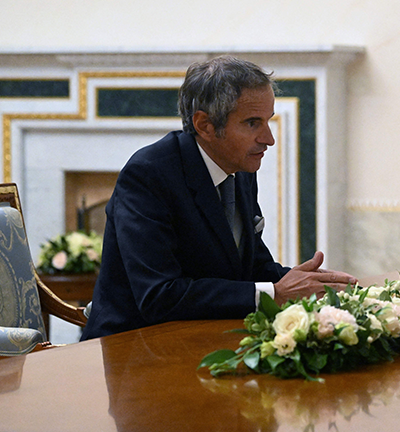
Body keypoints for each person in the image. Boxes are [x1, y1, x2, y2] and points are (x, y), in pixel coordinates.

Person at [82, 56, 356, 339]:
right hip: (131, 349)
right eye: (252, 123)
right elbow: (159, 296)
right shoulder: (148, 175)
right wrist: (274, 293)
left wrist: (309, 284)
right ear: (205, 125)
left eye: (268, 121)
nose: (269, 138)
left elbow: (251, 268)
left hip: (203, 337)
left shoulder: (241, 169)